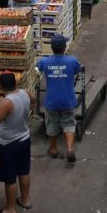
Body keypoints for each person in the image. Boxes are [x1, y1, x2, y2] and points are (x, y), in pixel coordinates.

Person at [0, 72, 36, 213]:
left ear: (1, 86)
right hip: (24, 138)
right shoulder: (25, 93)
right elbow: (34, 99)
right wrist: (28, 113)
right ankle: (25, 200)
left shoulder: (7, 102)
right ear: (15, 83)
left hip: (10, 144)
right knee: (24, 171)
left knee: (10, 177)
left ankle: (10, 210)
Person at [36, 34, 82, 164]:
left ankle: (53, 149)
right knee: (69, 124)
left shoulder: (45, 62)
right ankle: (70, 149)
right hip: (68, 100)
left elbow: (38, 68)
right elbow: (78, 70)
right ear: (64, 47)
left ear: (52, 47)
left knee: (52, 124)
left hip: (52, 101)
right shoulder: (72, 61)